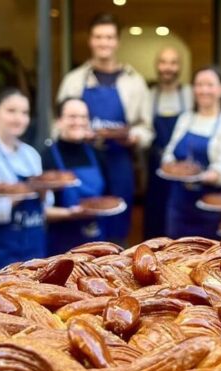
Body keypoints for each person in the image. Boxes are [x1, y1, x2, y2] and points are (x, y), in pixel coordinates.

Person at [57, 13, 153, 245]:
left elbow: (147, 129)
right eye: (99, 37)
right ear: (90, 40)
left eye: (109, 37)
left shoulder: (134, 81)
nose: (104, 42)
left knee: (118, 229)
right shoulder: (74, 80)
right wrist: (76, 134)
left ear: (117, 42)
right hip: (83, 161)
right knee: (83, 226)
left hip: (120, 161)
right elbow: (58, 124)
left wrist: (133, 137)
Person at [160, 66, 221, 238]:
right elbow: (169, 152)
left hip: (210, 208)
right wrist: (170, 165)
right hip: (178, 204)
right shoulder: (186, 119)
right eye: (199, 85)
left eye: (209, 85)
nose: (203, 90)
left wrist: (204, 176)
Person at [0, 88, 46, 272]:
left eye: (24, 113)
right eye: (11, 111)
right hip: (0, 247)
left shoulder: (31, 154)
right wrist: (15, 196)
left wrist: (43, 192)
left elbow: (45, 206)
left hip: (34, 241)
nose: (18, 118)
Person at [41, 98, 108, 255]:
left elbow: (107, 199)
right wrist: (71, 213)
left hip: (97, 241)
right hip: (60, 245)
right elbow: (41, 211)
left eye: (83, 117)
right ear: (58, 121)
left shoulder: (98, 155)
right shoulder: (47, 157)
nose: (78, 122)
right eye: (72, 116)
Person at [144, 47, 193, 239]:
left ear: (179, 66)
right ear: (157, 65)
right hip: (155, 165)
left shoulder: (189, 94)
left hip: (182, 167)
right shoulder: (149, 95)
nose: (168, 68)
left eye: (173, 63)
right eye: (163, 62)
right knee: (155, 216)